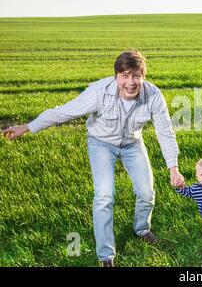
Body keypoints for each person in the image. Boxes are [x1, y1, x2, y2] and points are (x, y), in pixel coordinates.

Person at [2, 50, 185, 267]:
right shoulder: (99, 91)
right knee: (104, 195)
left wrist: (173, 168)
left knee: (146, 192)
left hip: (132, 143)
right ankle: (106, 256)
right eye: (125, 75)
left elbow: (165, 132)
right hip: (101, 143)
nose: (131, 82)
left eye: (136, 76)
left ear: (143, 77)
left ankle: (142, 229)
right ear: (116, 76)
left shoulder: (153, 95)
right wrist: (27, 127)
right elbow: (64, 112)